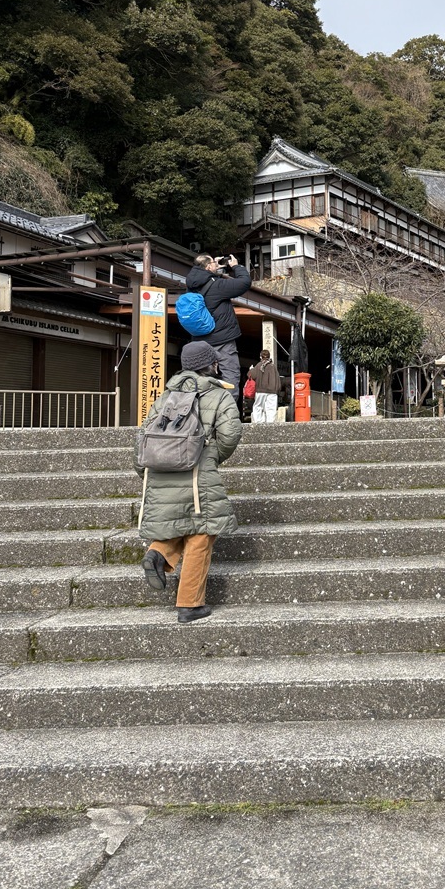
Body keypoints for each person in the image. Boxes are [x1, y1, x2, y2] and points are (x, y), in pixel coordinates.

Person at [138, 340, 242, 623]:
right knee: (201, 534)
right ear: (211, 365)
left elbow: (144, 436)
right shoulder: (218, 395)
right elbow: (230, 435)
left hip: (160, 470)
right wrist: (211, 456)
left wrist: (145, 469)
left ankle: (158, 553)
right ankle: (190, 605)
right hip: (198, 473)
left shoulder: (165, 397)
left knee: (178, 522)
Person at [184, 253, 252, 401]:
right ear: (208, 266)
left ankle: (200, 406)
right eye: (213, 263)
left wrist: (215, 268)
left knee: (201, 376)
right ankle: (227, 408)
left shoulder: (191, 285)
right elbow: (244, 282)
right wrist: (236, 266)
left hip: (199, 340)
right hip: (222, 339)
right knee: (230, 374)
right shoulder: (217, 285)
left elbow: (205, 277)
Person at [247, 349, 281, 424]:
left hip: (260, 390)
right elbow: (278, 380)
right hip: (272, 391)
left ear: (260, 357)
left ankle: (258, 423)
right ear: (269, 357)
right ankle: (270, 425)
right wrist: (277, 390)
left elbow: (253, 376)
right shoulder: (273, 367)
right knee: (271, 409)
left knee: (258, 407)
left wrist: (251, 369)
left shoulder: (259, 365)